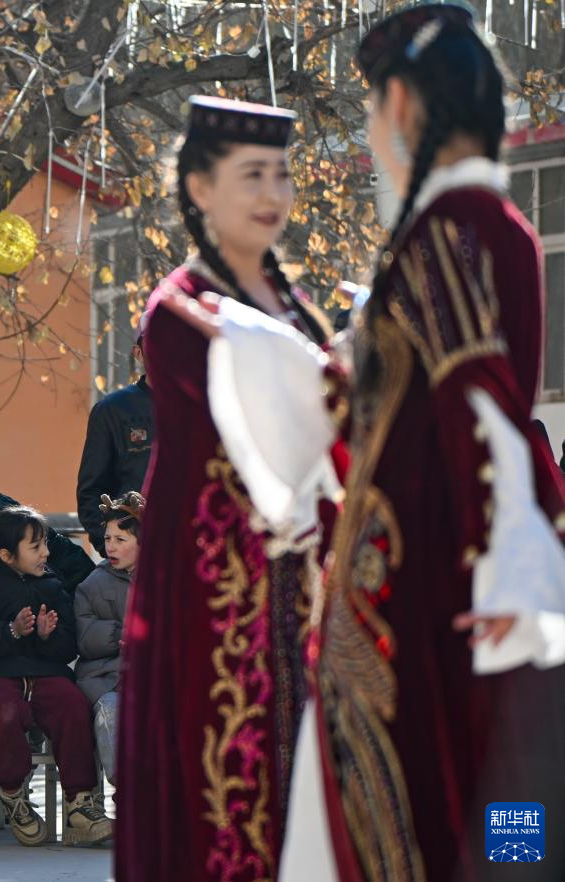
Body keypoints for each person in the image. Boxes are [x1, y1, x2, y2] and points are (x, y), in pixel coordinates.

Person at [163, 7, 565, 879]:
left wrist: (513, 564)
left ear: (406, 108)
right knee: (474, 798)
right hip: (416, 579)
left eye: (377, 105)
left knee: (449, 807)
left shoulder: (454, 230)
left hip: (429, 589)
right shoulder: (481, 227)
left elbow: (481, 404)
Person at [115, 96, 333, 882]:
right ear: (201, 188)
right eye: (251, 175)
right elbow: (275, 423)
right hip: (217, 594)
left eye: (281, 174)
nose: (272, 193)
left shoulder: (293, 306)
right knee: (227, 790)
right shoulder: (181, 309)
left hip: (301, 585)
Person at [0, 506, 112, 847]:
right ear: (6, 554)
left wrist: (46, 637)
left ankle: (80, 802)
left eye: (45, 544)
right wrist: (10, 631)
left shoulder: (52, 585)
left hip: (45, 672)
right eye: (35, 546)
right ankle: (13, 793)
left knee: (73, 705)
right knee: (5, 712)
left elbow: (68, 645)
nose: (45, 553)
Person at [73, 492, 143, 786]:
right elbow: (84, 635)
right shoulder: (93, 584)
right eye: (107, 538)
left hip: (157, 679)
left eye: (121, 540)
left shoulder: (165, 580)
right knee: (111, 711)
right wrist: (119, 635)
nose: (109, 546)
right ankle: (127, 787)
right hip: (108, 677)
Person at [76, 317, 154, 555]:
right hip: (134, 565)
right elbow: (91, 493)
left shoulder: (205, 407)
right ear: (138, 352)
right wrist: (114, 548)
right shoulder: (112, 411)